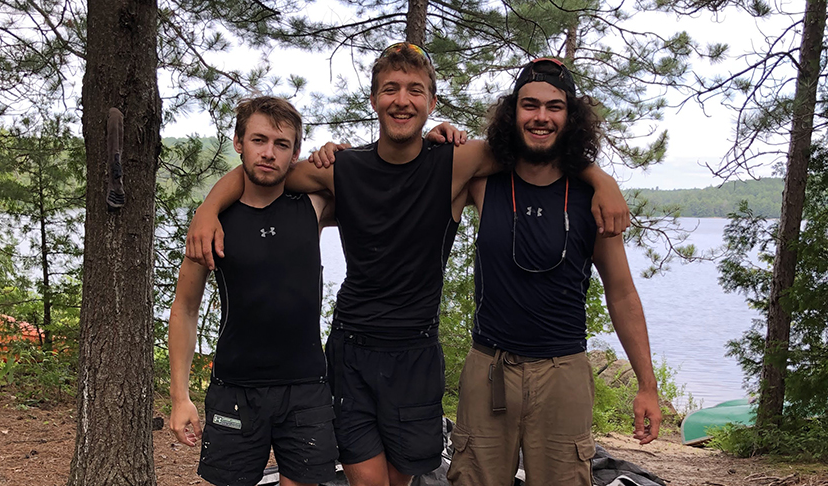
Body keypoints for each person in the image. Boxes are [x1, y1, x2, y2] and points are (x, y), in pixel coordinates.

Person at [184, 43, 630, 486]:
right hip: (351, 349)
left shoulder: (456, 164)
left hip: (416, 352)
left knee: (401, 479)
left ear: (432, 102)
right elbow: (264, 170)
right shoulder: (342, 169)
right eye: (390, 89)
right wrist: (208, 209)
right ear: (374, 99)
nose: (402, 100)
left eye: (415, 90)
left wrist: (599, 178)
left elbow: (540, 142)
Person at [445, 58, 662, 486]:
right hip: (489, 368)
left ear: (571, 116)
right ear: (513, 113)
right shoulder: (482, 182)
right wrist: (439, 135)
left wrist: (647, 385)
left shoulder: (592, 198)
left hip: (563, 372)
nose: (541, 117)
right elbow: (416, 168)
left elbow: (621, 293)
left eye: (554, 107)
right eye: (529, 105)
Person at [168, 96, 338, 486]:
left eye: (282, 145)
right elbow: (185, 308)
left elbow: (380, 183)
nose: (268, 153)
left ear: (295, 153)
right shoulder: (211, 225)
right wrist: (180, 397)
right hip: (235, 387)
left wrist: (333, 155)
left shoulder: (313, 205)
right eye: (259, 140)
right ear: (238, 142)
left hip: (306, 387)